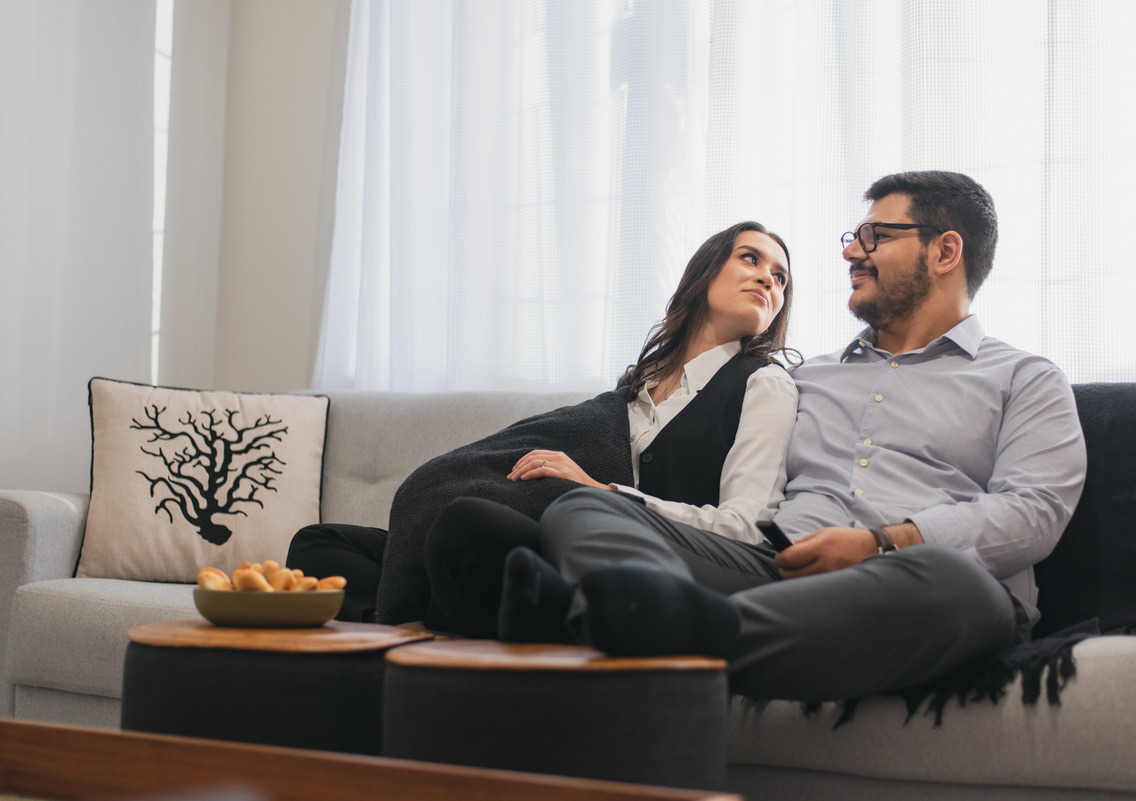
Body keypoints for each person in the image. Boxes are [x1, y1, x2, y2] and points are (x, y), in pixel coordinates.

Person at [514, 170, 1088, 703]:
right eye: (853, 238)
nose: (851, 252)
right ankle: (663, 622)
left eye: (874, 237)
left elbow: (1035, 511)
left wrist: (880, 544)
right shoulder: (804, 378)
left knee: (955, 583)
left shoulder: (1023, 378)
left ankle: (641, 625)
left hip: (917, 585)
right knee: (583, 509)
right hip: (775, 572)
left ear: (945, 251)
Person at [288, 221, 800, 635]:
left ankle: (420, 616)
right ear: (705, 271)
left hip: (615, 549)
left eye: (780, 278)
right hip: (547, 531)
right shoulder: (637, 385)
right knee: (320, 544)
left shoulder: (763, 384)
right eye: (750, 259)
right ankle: (417, 622)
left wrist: (603, 493)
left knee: (467, 526)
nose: (768, 280)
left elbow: (746, 529)